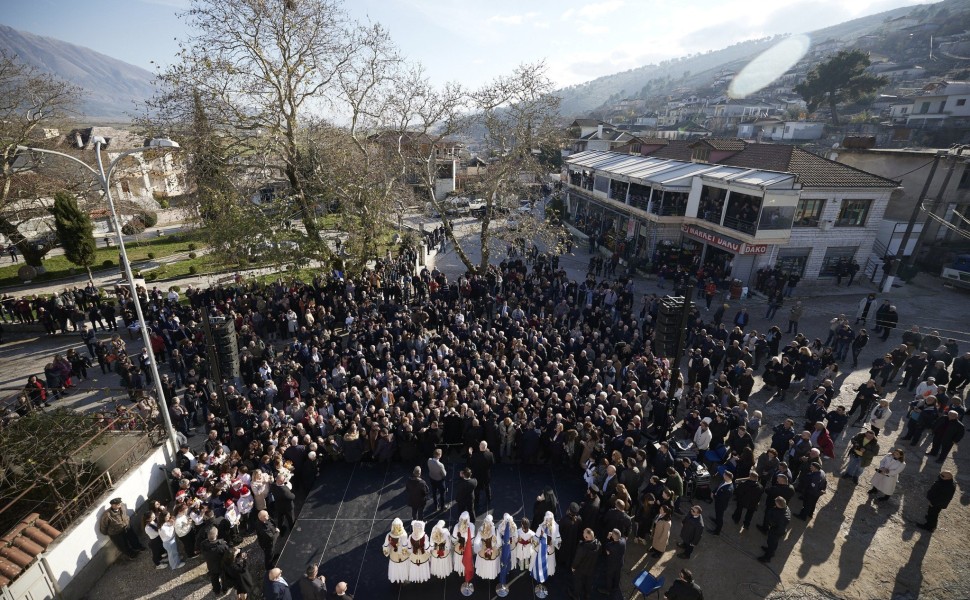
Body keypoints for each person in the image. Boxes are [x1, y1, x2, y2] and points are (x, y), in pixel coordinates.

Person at [758, 497, 791, 563]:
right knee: (774, 543)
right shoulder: (787, 509)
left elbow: (773, 522)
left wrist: (771, 524)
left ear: (779, 505)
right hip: (780, 530)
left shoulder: (779, 515)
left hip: (776, 531)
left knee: (771, 542)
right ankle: (771, 551)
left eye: (776, 503)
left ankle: (768, 557)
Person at [200, 526, 230, 596]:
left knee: (214, 579)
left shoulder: (203, 544)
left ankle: (217, 591)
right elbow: (228, 554)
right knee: (224, 578)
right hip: (222, 566)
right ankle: (224, 590)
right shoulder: (222, 546)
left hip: (211, 566)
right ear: (216, 535)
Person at [572, 528, 601, 600]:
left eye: (583, 533)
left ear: (586, 537)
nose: (582, 533)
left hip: (581, 569)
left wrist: (573, 567)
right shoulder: (598, 544)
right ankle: (587, 595)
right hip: (592, 568)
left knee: (578, 582)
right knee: (589, 582)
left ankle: (576, 596)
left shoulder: (583, 548)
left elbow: (577, 559)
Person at [468, 440, 495, 512]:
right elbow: (492, 464)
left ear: (480, 446)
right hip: (486, 475)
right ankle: (489, 498)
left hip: (477, 476)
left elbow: (470, 464)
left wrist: (470, 454)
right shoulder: (490, 454)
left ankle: (476, 502)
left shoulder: (474, 456)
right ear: (486, 447)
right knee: (487, 487)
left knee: (477, 490)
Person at [600, 528, 626, 598]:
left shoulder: (610, 545)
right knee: (617, 575)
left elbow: (606, 547)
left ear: (613, 537)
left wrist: (608, 537)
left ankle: (608, 590)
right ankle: (616, 587)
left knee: (609, 576)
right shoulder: (623, 541)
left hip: (611, 564)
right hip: (619, 563)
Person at [383, 518, 410, 584]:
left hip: (393, 555)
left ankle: (396, 578)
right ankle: (404, 578)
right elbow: (405, 546)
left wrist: (386, 552)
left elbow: (385, 546)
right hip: (402, 556)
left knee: (395, 567)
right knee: (403, 567)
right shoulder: (404, 535)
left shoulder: (388, 535)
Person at [535, 511, 561, 576]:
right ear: (545, 519)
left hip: (551, 550)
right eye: (547, 519)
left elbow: (558, 540)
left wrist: (554, 542)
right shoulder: (541, 527)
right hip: (542, 550)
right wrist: (535, 546)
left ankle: (549, 572)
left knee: (550, 562)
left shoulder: (556, 527)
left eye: (550, 519)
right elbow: (536, 537)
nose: (548, 521)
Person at [474, 514, 500, 580]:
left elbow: (476, 542)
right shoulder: (495, 530)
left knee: (483, 562)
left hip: (483, 551)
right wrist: (495, 546)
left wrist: (479, 549)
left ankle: (484, 574)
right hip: (493, 552)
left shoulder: (480, 530)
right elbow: (499, 543)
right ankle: (491, 575)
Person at [451, 512, 475, 577]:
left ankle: (459, 571)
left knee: (459, 559)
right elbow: (472, 540)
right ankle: (465, 571)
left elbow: (453, 539)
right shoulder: (472, 526)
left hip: (459, 547)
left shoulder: (456, 526)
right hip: (467, 548)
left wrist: (455, 543)